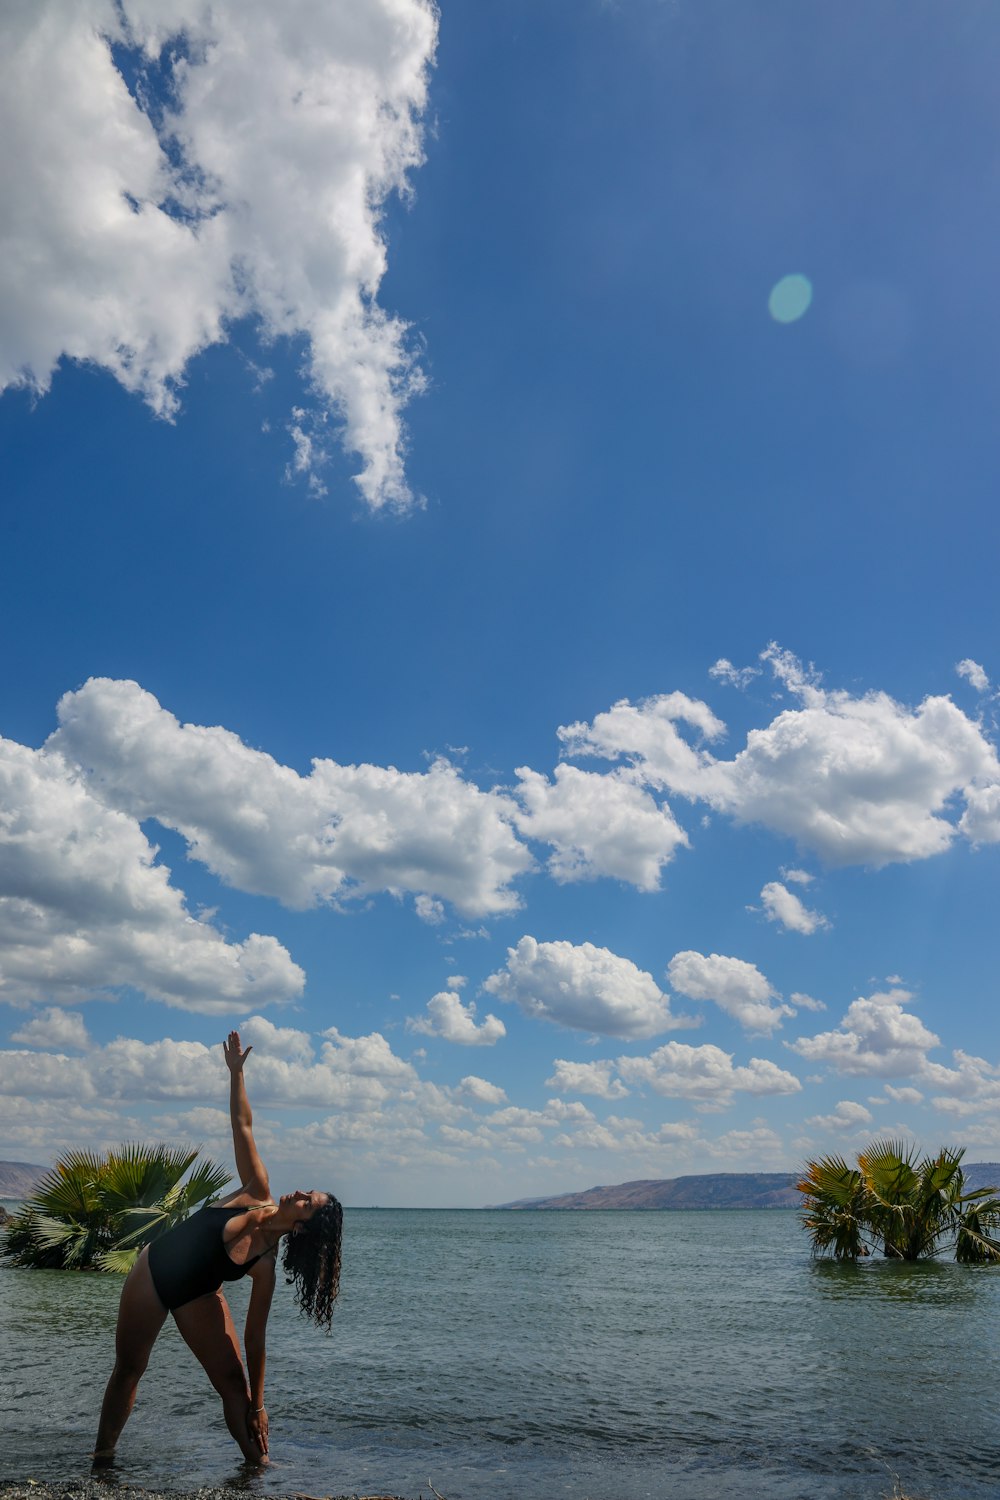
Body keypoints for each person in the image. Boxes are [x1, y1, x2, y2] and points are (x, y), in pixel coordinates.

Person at [93, 1030, 342, 1466]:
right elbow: (243, 1125)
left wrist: (260, 1403)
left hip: (198, 1295)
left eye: (308, 1201)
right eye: (307, 1191)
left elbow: (255, 1339)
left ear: (303, 1228)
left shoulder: (264, 1265)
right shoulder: (256, 1189)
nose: (299, 1192)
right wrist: (236, 1073)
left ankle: (259, 1470)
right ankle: (101, 1459)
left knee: (233, 1383)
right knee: (130, 1369)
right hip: (153, 1273)